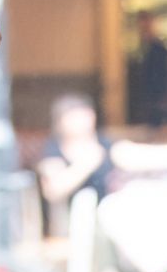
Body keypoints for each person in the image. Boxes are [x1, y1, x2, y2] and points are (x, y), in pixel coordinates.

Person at [36, 95, 115, 228]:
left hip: (108, 220)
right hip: (68, 227)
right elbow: (53, 190)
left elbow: (127, 155)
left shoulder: (106, 144)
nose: (82, 122)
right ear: (60, 122)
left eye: (86, 116)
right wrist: (87, 164)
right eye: (74, 117)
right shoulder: (52, 150)